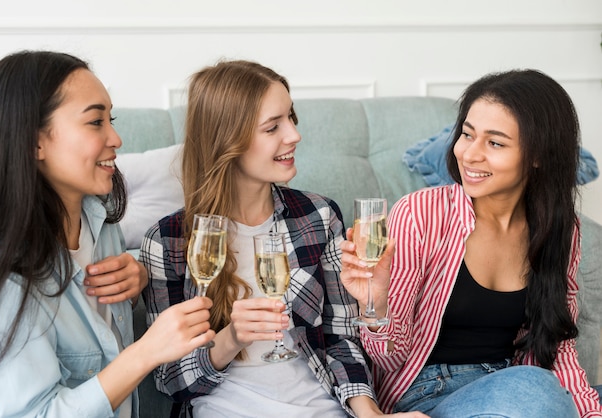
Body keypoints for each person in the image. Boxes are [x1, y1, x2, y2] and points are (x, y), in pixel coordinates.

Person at [139, 60, 427, 418]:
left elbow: (341, 341)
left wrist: (370, 414)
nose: (294, 135)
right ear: (226, 140)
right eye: (273, 126)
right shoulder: (167, 242)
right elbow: (169, 380)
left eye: (291, 118)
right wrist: (230, 340)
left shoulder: (318, 217)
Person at [339, 69, 602, 417]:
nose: (470, 154)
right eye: (467, 134)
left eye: (495, 142)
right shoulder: (421, 212)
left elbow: (558, 346)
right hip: (427, 393)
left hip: (513, 386)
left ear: (538, 155)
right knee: (534, 389)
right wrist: (377, 304)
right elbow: (389, 359)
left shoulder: (559, 227)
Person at [0, 50, 215, 418]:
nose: (116, 138)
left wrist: (138, 277)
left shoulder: (100, 225)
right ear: (33, 141)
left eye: (111, 119)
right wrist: (147, 350)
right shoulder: (3, 277)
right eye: (95, 123)